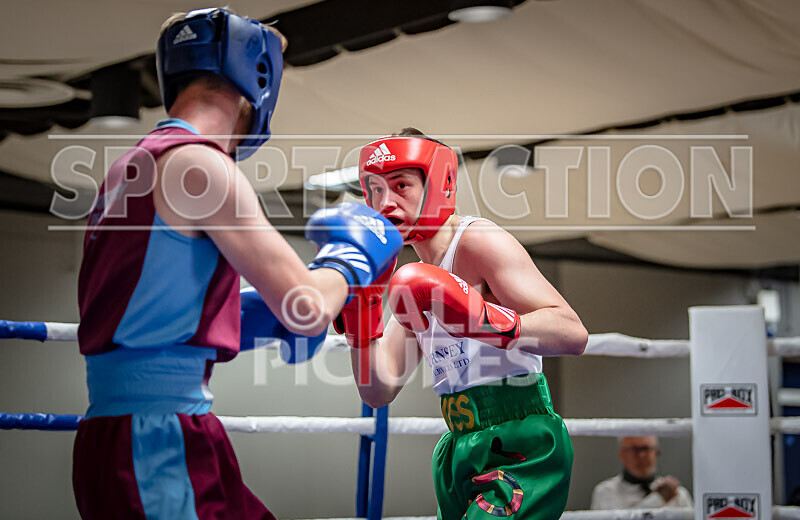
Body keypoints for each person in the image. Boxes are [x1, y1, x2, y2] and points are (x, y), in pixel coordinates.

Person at [73, 8, 402, 519]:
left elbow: (140, 295)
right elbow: (309, 308)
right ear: (259, 82)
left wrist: (239, 318)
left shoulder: (129, 164)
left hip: (126, 431)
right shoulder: (203, 165)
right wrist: (351, 259)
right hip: (158, 438)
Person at [337, 128, 588, 519]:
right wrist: (360, 320)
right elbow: (379, 390)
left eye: (401, 185)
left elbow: (572, 333)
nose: (386, 203)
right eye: (375, 189)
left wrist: (482, 318)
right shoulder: (413, 279)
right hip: (459, 443)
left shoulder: (478, 241)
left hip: (519, 436)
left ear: (440, 182)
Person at [590, 436, 693, 510]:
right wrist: (657, 500)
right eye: (635, 449)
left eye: (646, 448)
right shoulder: (605, 492)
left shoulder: (677, 494)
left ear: (657, 453)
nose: (642, 455)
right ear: (621, 454)